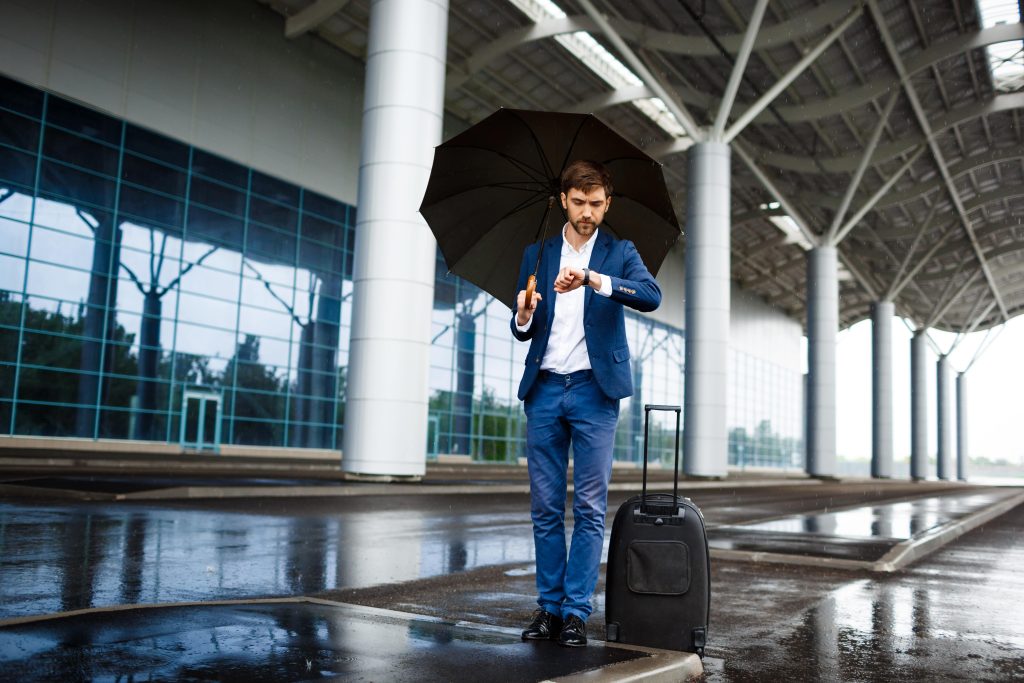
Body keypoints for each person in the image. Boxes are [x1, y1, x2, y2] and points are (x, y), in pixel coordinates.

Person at [511, 159, 662, 647]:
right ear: (563, 200)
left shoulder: (620, 252)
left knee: (591, 507)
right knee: (546, 508)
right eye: (579, 203)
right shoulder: (537, 253)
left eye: (596, 204)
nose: (587, 213)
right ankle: (549, 608)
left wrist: (594, 278)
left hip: (596, 391)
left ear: (607, 203)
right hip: (546, 388)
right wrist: (523, 314)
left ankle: (576, 612)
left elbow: (651, 295)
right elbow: (524, 330)